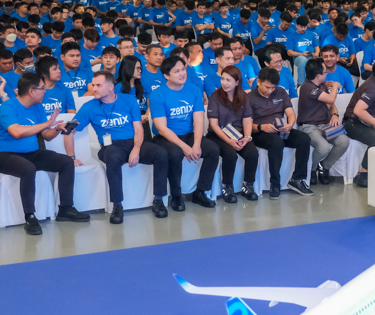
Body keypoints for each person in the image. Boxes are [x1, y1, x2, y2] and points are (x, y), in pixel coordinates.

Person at [0, 72, 88, 235]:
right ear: (31, 91)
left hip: (32, 153)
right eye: (42, 88)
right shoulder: (8, 107)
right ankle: (30, 217)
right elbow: (16, 132)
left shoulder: (37, 106)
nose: (45, 91)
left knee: (66, 162)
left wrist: (56, 128)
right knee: (28, 168)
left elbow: (46, 136)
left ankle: (66, 208)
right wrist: (47, 123)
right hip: (5, 156)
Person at [68, 71, 170, 222]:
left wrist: (136, 149)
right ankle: (117, 205)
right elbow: (69, 131)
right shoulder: (89, 106)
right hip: (110, 146)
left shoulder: (129, 100)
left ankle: (158, 200)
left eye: (98, 85)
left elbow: (138, 129)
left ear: (110, 87)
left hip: (133, 141)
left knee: (161, 153)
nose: (94, 89)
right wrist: (71, 156)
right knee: (113, 158)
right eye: (93, 85)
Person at [150, 55, 219, 210]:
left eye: (183, 69)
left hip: (189, 134)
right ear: (166, 75)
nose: (182, 74)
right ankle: (176, 195)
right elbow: (161, 128)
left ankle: (200, 192)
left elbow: (199, 121)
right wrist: (185, 147)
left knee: (213, 150)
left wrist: (196, 144)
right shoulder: (157, 95)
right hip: (166, 137)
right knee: (175, 153)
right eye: (177, 71)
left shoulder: (194, 90)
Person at [248, 67, 314, 199]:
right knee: (276, 142)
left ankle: (297, 179)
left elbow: (290, 113)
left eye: (273, 88)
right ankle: (275, 183)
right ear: (258, 82)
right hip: (260, 132)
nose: (270, 91)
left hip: (280, 129)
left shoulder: (280, 92)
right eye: (267, 87)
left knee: (304, 139)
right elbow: (247, 124)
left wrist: (290, 124)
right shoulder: (249, 98)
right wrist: (261, 127)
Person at [205, 65, 260, 203]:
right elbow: (214, 125)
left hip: (238, 133)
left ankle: (248, 185)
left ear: (237, 82)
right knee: (230, 154)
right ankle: (227, 187)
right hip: (218, 135)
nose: (224, 83)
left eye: (228, 80)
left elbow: (247, 120)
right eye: (222, 79)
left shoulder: (244, 97)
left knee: (253, 152)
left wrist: (247, 137)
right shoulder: (215, 97)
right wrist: (229, 141)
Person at [343, 58, 375, 188]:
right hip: (353, 123)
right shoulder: (373, 88)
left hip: (360, 121)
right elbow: (358, 110)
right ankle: (363, 173)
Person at [297, 58, 351, 185]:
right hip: (308, 126)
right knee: (323, 147)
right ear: (318, 76)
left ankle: (324, 166)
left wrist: (335, 115)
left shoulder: (321, 85)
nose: (327, 74)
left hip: (324, 125)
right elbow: (331, 99)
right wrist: (336, 86)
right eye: (325, 72)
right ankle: (313, 169)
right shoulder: (307, 87)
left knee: (344, 141)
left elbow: (331, 105)